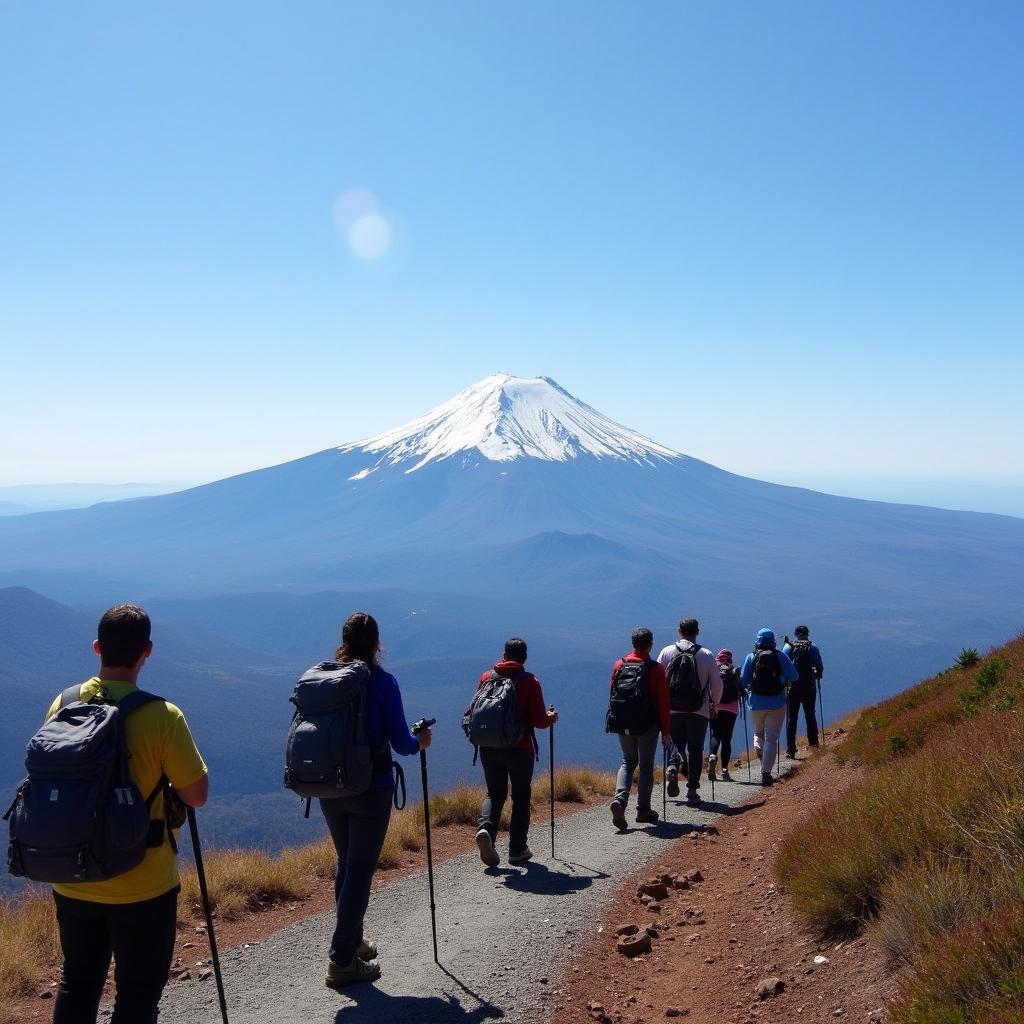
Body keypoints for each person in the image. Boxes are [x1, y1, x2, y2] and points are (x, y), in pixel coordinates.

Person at [46, 604, 209, 1024]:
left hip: (73, 875)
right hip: (144, 883)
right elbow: (196, 795)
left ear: (97, 647)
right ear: (147, 652)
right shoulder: (162, 716)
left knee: (77, 983)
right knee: (137, 995)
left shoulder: (62, 704)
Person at [319, 612, 430, 988]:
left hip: (329, 787)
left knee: (347, 864)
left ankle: (353, 941)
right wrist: (420, 743)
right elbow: (401, 742)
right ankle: (342, 959)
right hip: (371, 787)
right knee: (360, 869)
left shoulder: (326, 680)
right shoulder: (382, 682)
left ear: (344, 641)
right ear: (377, 643)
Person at [472, 637, 557, 867]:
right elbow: (539, 720)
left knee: (494, 794)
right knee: (520, 798)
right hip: (519, 749)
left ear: (503, 655)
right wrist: (552, 718)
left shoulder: (486, 678)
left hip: (488, 747)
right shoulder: (529, 681)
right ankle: (517, 850)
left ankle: (486, 830)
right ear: (524, 658)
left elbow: (472, 712)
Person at [607, 627, 671, 830]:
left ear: (633, 643)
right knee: (645, 766)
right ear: (650, 644)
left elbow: (613, 694)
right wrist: (666, 731)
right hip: (647, 726)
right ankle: (643, 810)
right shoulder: (655, 669)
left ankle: (620, 799)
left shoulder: (619, 665)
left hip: (622, 722)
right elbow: (663, 703)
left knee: (627, 761)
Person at [659, 619, 722, 808]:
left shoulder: (666, 652)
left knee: (674, 742)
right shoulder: (706, 654)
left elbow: (657, 679)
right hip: (698, 710)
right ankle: (692, 792)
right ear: (698, 632)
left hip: (672, 708)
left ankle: (672, 765)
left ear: (679, 631)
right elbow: (717, 684)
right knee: (695, 749)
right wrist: (715, 704)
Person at [740, 628, 798, 786]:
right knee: (772, 739)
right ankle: (766, 773)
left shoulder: (751, 657)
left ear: (757, 641)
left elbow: (743, 681)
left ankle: (759, 748)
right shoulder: (781, 656)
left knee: (758, 733)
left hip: (756, 704)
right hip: (777, 702)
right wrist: (783, 680)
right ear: (773, 641)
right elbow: (794, 676)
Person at [783, 625, 825, 758]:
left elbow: (782, 665)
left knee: (792, 718)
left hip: (793, 688)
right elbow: (819, 667)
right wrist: (817, 675)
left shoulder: (789, 647)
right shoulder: (813, 647)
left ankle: (791, 749)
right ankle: (814, 744)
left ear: (795, 634)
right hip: (809, 686)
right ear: (808, 634)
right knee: (810, 715)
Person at [708, 649, 742, 782]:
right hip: (731, 709)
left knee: (715, 734)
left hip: (715, 706)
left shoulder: (714, 669)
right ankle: (725, 771)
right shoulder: (734, 671)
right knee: (727, 739)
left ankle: (712, 756)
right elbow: (741, 689)